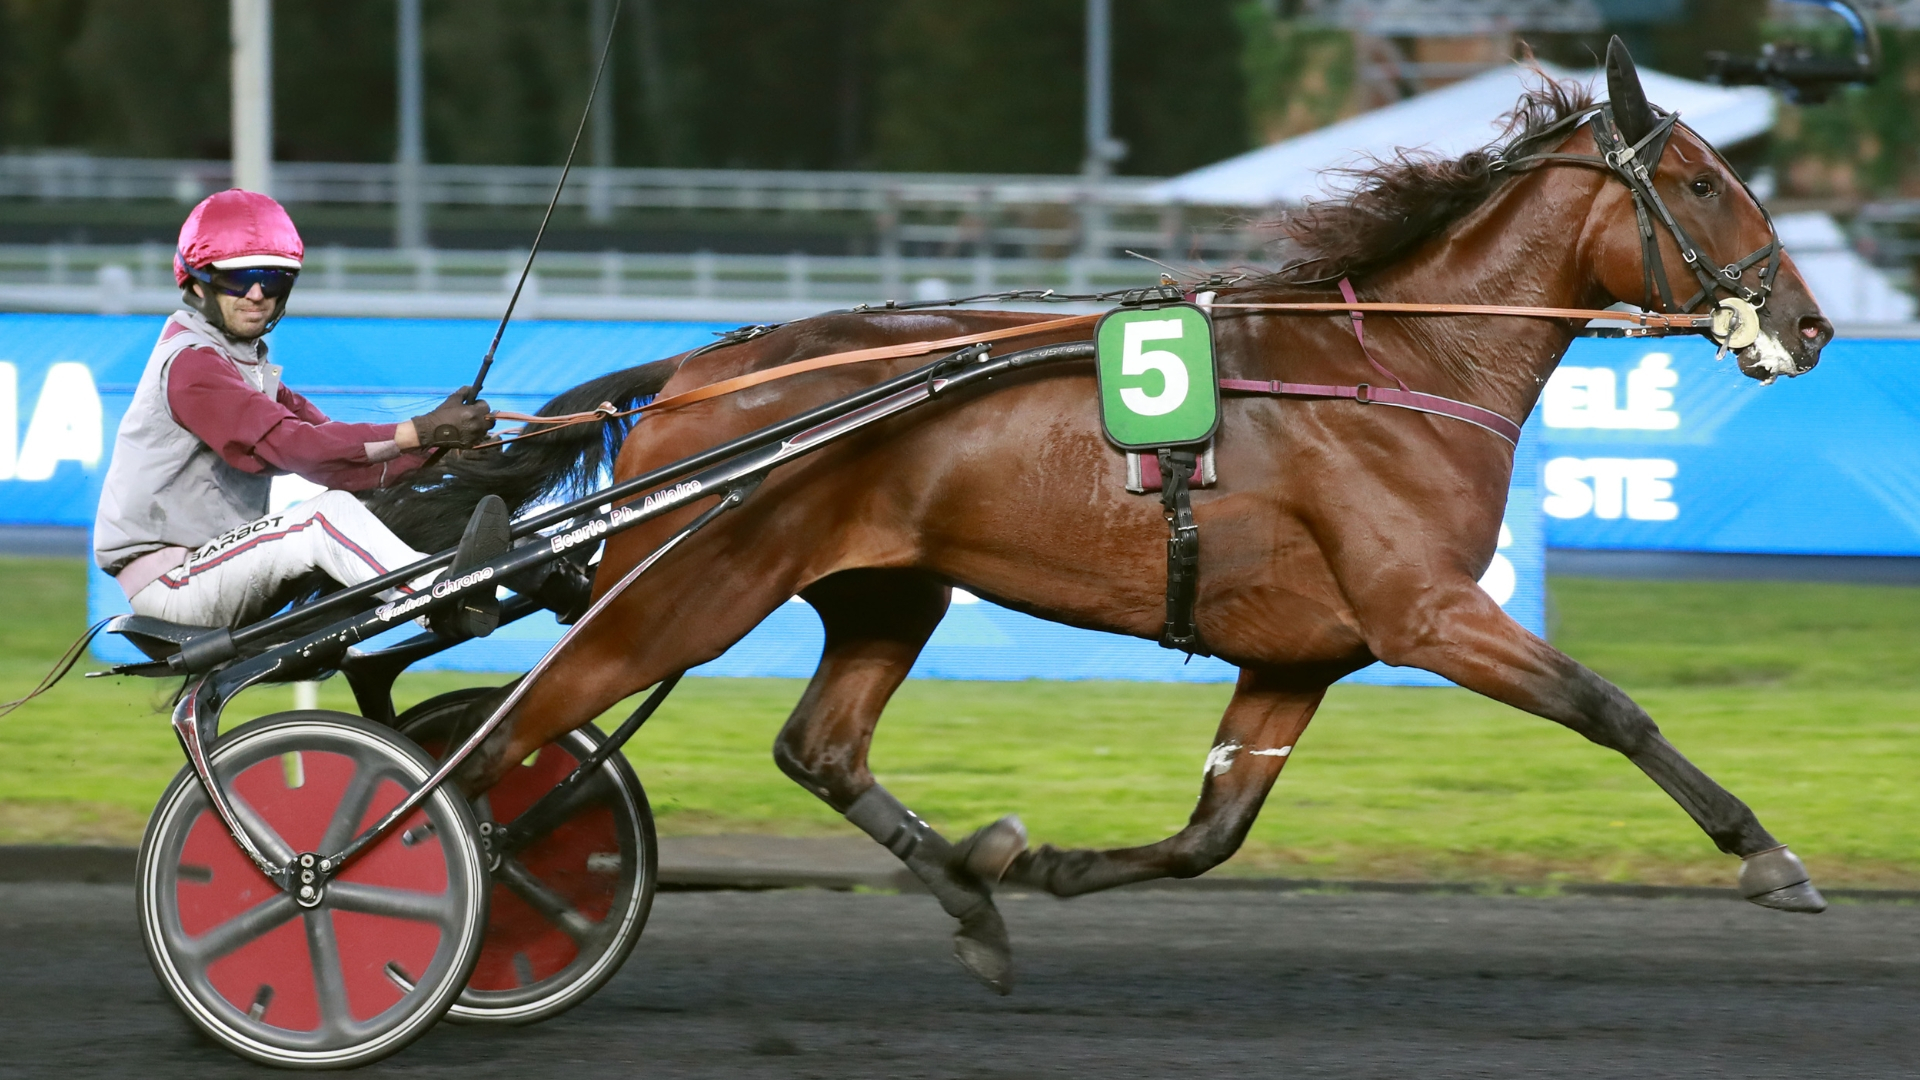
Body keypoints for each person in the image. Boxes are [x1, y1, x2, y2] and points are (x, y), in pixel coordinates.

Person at [93, 188, 501, 631]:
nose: (256, 294)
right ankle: (436, 600)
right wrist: (424, 430)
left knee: (365, 504)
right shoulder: (193, 365)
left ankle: (531, 577)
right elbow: (303, 449)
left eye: (271, 279)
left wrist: (439, 456)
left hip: (216, 566)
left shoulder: (242, 363)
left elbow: (338, 457)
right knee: (326, 516)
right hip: (173, 582)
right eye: (237, 279)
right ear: (195, 282)